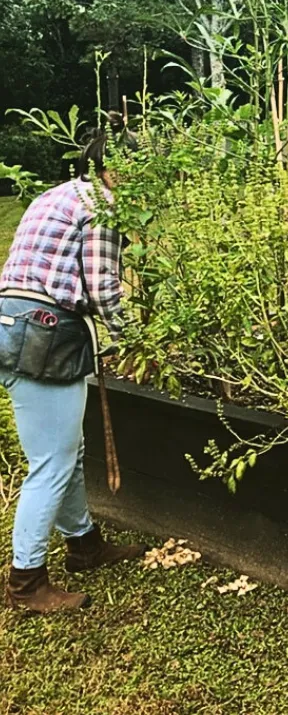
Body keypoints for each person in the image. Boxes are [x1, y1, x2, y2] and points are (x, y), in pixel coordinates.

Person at [0, 129, 146, 613]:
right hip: (45, 334)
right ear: (115, 170)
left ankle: (85, 545)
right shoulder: (103, 204)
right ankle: (25, 583)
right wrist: (139, 340)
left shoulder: (57, 193)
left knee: (64, 451)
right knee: (52, 464)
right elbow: (104, 288)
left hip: (11, 323)